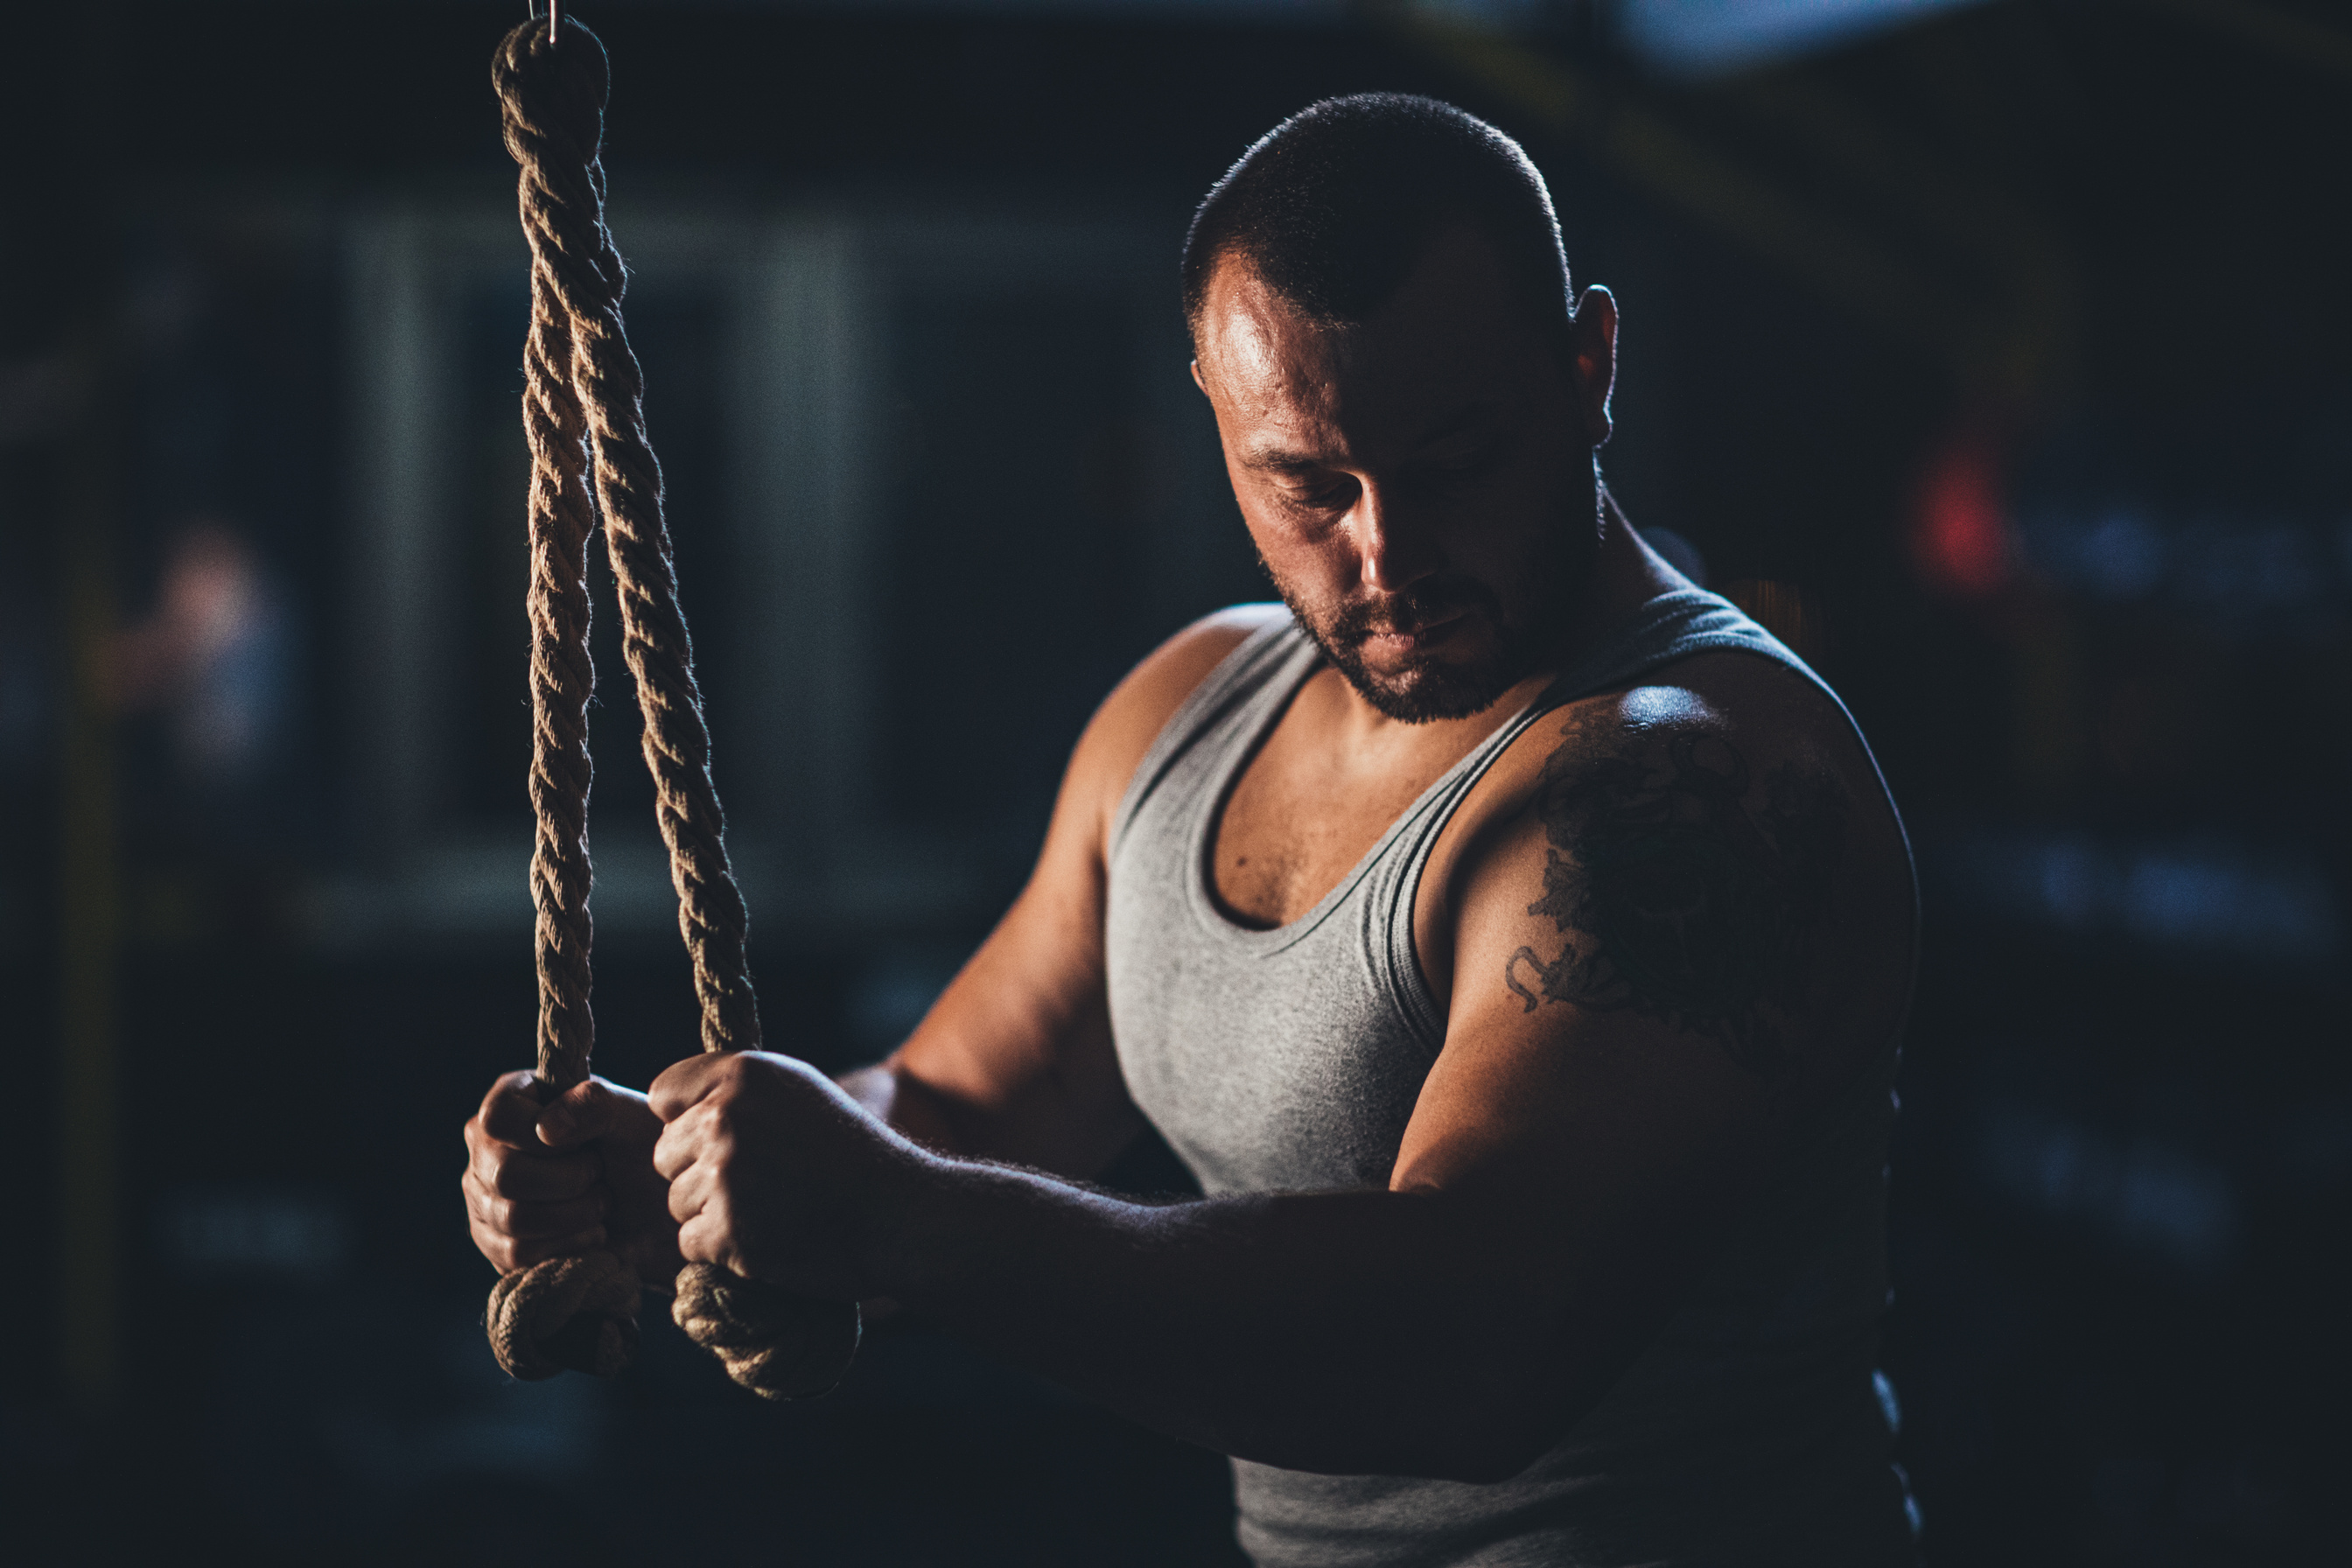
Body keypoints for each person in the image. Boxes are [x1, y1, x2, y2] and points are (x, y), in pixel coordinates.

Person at [464, 94, 1921, 1565]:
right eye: (1310, 484)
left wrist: (895, 1222)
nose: (1386, 550)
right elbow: (958, 1114)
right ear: (1217, 420)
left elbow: (1474, 1349)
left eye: (1454, 462)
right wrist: (682, 1190)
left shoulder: (1690, 782)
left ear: (1588, 367)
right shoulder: (1185, 716)